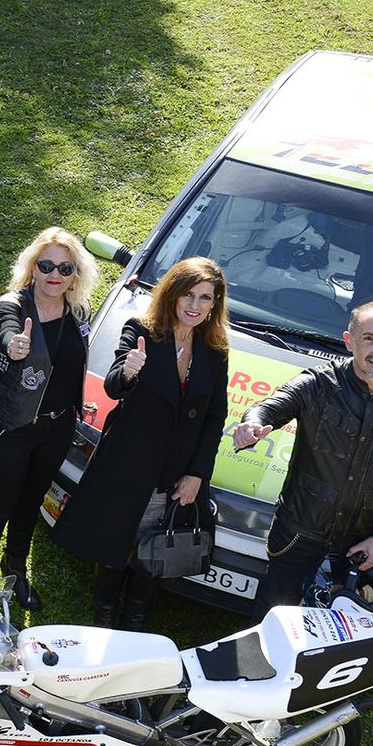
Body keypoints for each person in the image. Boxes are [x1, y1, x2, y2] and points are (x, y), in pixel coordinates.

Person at [233, 300, 373, 622]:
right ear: (349, 341)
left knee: (342, 633)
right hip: (299, 535)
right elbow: (269, 407)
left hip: (364, 546)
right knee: (272, 620)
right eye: (369, 338)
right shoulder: (317, 383)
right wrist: (251, 426)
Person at [52, 258, 230, 629]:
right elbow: (114, 386)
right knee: (117, 537)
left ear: (215, 303)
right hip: (130, 461)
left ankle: (135, 617)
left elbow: (215, 416)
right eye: (188, 295)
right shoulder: (142, 330)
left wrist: (197, 473)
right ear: (172, 295)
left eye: (205, 298)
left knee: (155, 541)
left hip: (176, 468)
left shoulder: (215, 350)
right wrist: (130, 369)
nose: (195, 305)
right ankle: (104, 613)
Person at [0, 227, 99, 613]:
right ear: (33, 268)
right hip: (12, 426)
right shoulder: (12, 305)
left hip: (56, 429)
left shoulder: (78, 313)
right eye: (46, 265)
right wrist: (15, 343)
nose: (54, 274)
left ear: (76, 273)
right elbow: (5, 330)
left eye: (65, 267)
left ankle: (15, 570)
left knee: (29, 504)